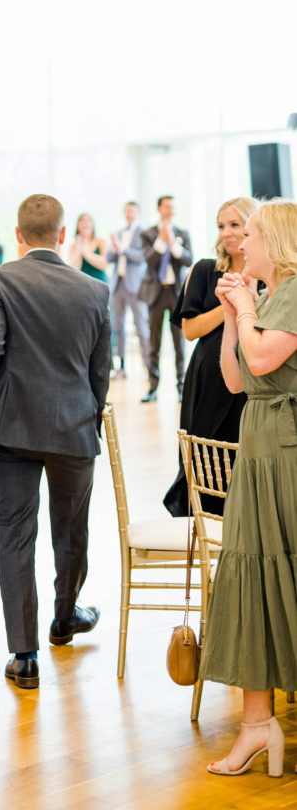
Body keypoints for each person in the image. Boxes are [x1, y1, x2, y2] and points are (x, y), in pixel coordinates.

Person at [0, 194, 111, 690]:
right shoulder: (94, 290)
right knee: (71, 529)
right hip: (74, 425)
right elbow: (100, 371)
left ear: (18, 234)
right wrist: (88, 415)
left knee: (14, 536)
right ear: (62, 234)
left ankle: (24, 655)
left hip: (12, 426)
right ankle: (64, 617)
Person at [198, 199, 297, 778]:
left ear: (276, 243)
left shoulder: (294, 293)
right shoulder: (265, 296)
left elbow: (263, 358)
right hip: (258, 448)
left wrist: (244, 308)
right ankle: (257, 725)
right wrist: (236, 313)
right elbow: (236, 379)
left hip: (286, 452)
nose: (242, 243)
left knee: (283, 575)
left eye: (251, 234)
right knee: (252, 583)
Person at [163, 197, 258, 517]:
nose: (226, 232)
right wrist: (232, 300)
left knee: (242, 450)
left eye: (235, 224)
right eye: (221, 226)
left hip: (250, 374)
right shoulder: (205, 270)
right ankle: (207, 524)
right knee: (204, 450)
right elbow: (190, 330)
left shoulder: (265, 273)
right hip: (208, 376)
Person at [139, 196, 193, 402]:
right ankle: (153, 387)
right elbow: (149, 261)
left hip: (177, 293)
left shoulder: (182, 233)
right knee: (154, 343)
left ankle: (181, 387)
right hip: (156, 293)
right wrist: (162, 241)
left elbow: (188, 260)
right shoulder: (148, 233)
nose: (170, 210)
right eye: (167, 206)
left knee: (179, 342)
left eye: (172, 207)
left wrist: (173, 244)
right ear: (159, 209)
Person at [106, 201, 149, 380]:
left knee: (141, 326)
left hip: (135, 285)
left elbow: (142, 256)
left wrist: (123, 249)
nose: (130, 213)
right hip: (118, 284)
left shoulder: (144, 233)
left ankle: (149, 367)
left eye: (133, 210)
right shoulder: (118, 233)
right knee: (118, 326)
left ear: (138, 213)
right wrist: (114, 248)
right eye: (127, 210)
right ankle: (121, 367)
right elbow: (109, 258)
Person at [68, 213, 109, 284]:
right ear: (78, 226)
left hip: (100, 283)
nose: (85, 222)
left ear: (92, 225)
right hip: (82, 284)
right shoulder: (73, 246)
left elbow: (104, 264)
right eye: (82, 220)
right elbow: (74, 269)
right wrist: (78, 249)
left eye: (88, 220)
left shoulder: (101, 242)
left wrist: (86, 253)